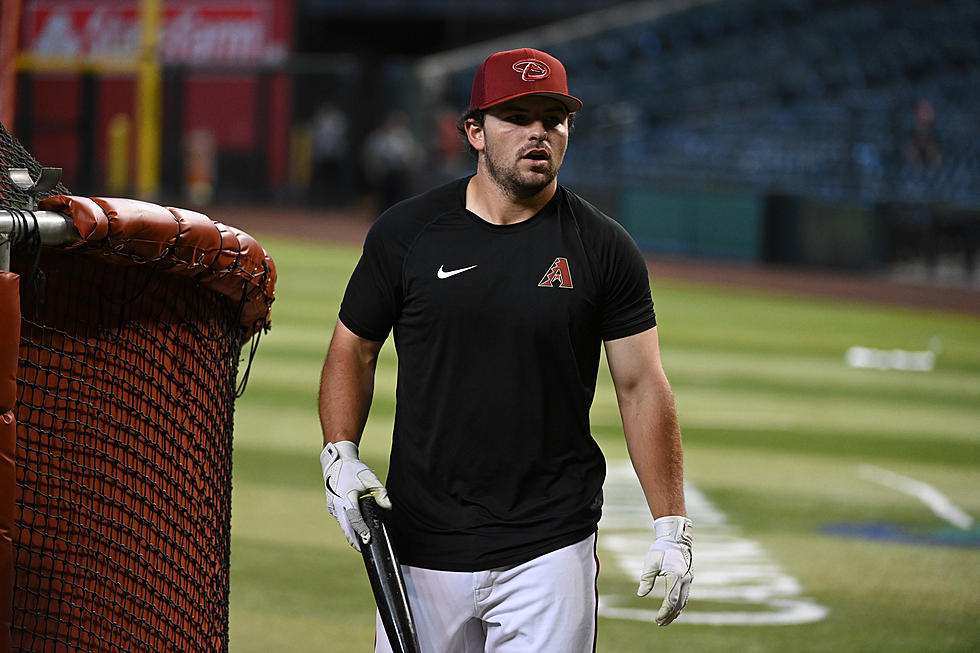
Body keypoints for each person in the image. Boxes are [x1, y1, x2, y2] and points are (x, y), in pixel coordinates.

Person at [318, 47, 692, 653]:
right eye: (517, 116)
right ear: (473, 132)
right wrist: (339, 455)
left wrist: (671, 525)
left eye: (554, 117)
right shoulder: (406, 234)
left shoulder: (604, 247)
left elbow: (641, 384)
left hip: (550, 546)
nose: (539, 131)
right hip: (420, 542)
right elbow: (353, 347)